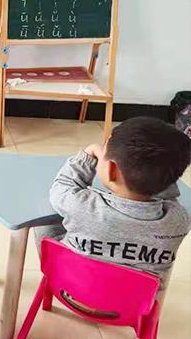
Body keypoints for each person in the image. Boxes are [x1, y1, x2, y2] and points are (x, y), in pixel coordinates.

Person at [35, 117, 191, 289]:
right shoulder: (179, 221)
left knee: (44, 220)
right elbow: (171, 197)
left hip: (71, 288)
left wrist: (89, 154)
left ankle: (51, 273)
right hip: (133, 301)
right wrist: (164, 174)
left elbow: (63, 186)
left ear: (112, 170)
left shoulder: (83, 205)